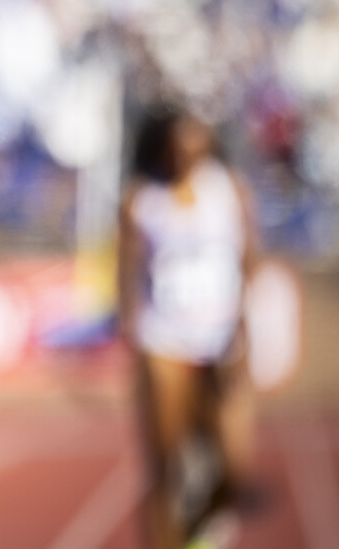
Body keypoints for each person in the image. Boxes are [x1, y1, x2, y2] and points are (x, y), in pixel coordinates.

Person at [118, 106, 260, 549]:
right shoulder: (142, 199)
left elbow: (248, 259)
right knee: (166, 466)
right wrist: (132, 331)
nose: (186, 156)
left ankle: (200, 529)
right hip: (164, 339)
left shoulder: (229, 189)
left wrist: (242, 326)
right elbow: (127, 272)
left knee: (234, 463)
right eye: (177, 147)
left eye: (195, 145)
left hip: (220, 340)